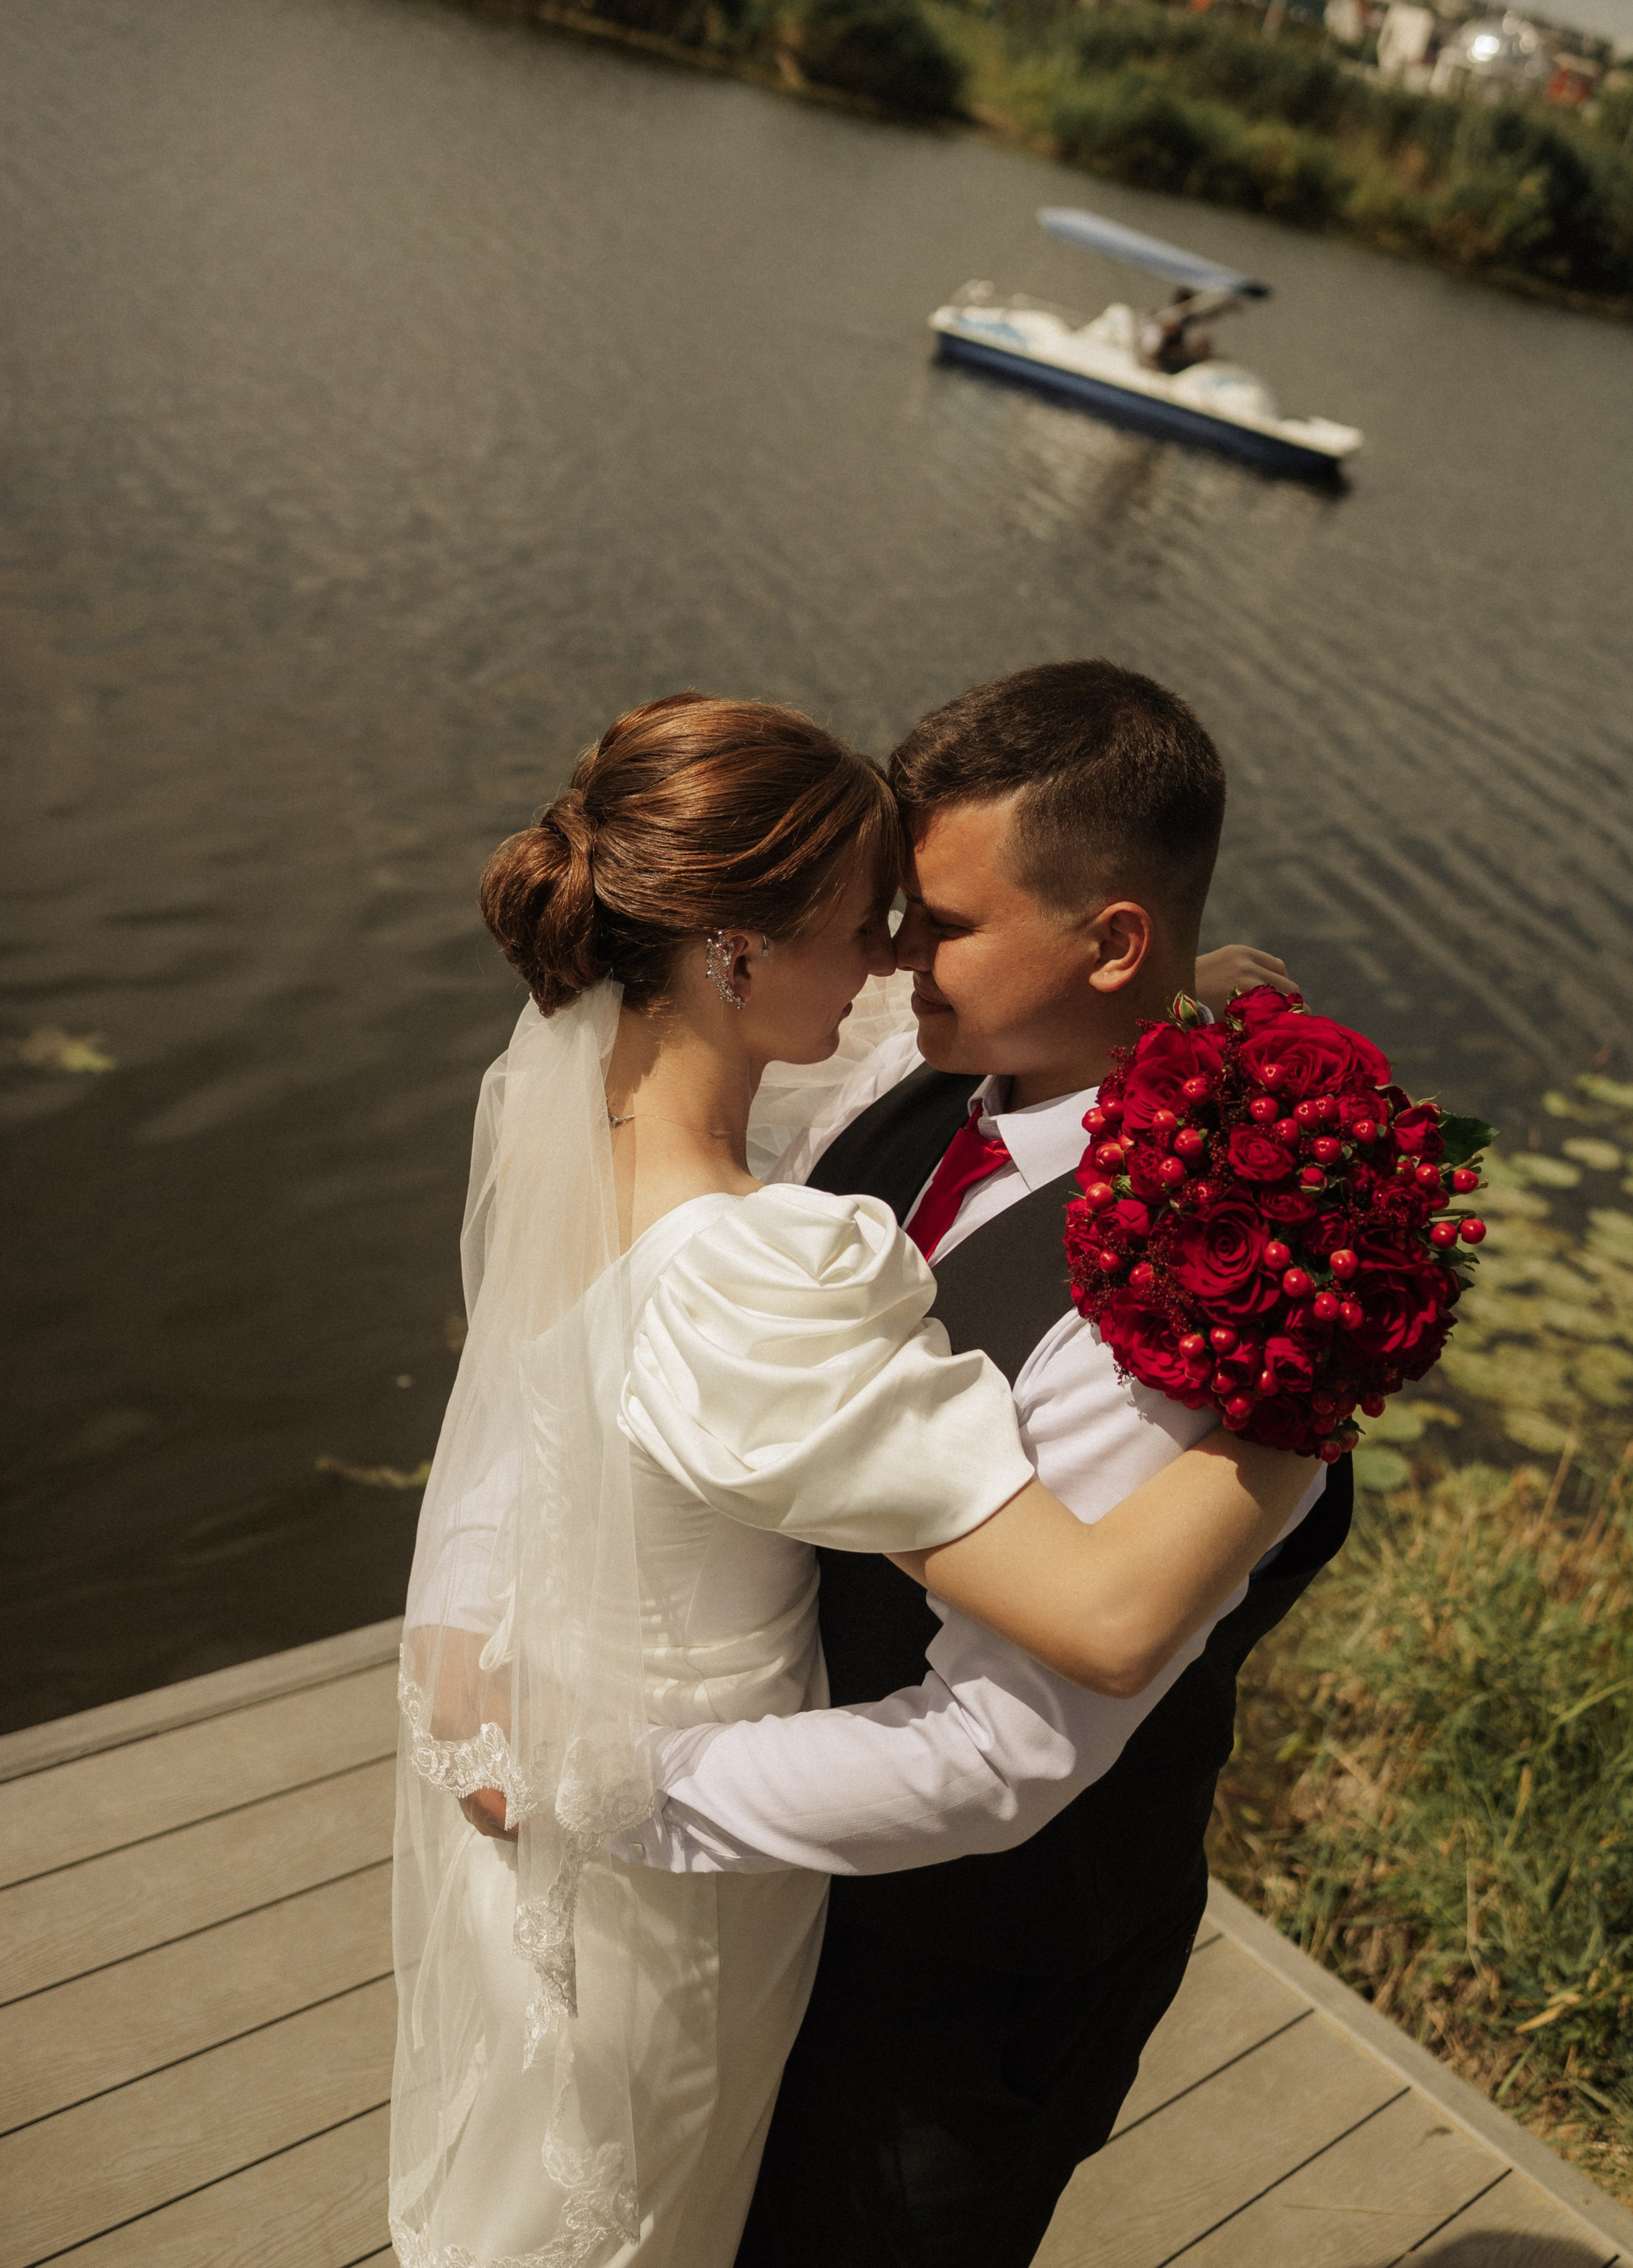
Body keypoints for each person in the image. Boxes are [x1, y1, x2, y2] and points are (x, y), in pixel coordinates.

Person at [388, 689, 1318, 2268]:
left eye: (931, 922)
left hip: (973, 1968)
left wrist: (1308, 1384)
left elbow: (1031, 1718)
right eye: (877, 919)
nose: (892, 959)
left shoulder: (1211, 1261)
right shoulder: (886, 1087)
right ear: (737, 953)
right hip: (700, 1861)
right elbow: (554, 1372)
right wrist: (477, 1624)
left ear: (1101, 944)